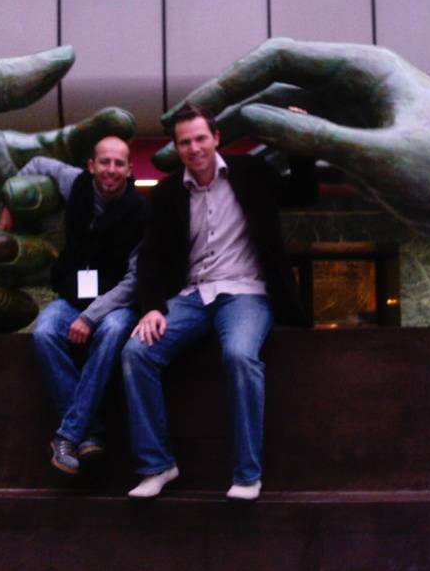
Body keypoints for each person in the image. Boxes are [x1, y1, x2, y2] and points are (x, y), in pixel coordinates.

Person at [121, 103, 313, 502]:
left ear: (216, 138)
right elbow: (151, 257)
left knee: (240, 355)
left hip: (246, 293)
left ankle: (247, 475)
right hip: (191, 296)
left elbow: (304, 193)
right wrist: (152, 306)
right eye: (184, 142)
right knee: (137, 353)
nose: (194, 148)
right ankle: (157, 464)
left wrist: (301, 139)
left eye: (200, 139)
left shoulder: (252, 173)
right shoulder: (167, 192)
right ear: (177, 148)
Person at [17, 135, 147, 475]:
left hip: (115, 305)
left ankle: (68, 434)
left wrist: (91, 317)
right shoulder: (75, 184)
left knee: (113, 331)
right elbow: (36, 164)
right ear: (91, 166)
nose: (111, 169)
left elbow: (135, 280)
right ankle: (88, 432)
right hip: (72, 300)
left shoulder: (140, 212)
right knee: (44, 332)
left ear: (129, 169)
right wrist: (8, 210)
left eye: (119, 163)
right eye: (104, 161)